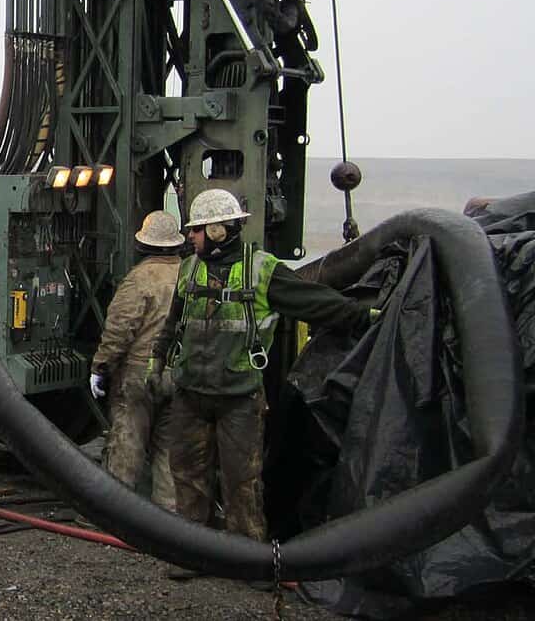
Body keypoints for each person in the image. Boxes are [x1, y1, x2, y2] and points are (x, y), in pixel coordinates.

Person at [151, 188, 374, 541]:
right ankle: (193, 547)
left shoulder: (261, 271)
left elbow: (315, 302)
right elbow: (173, 324)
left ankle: (247, 554)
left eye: (196, 230)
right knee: (188, 475)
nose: (190, 236)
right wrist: (156, 363)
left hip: (239, 398)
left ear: (218, 231)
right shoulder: (190, 269)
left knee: (242, 480)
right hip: (190, 394)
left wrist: (368, 317)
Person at [90, 210, 184, 511]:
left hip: (140, 374)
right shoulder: (190, 274)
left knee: (126, 443)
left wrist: (100, 367)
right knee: (168, 452)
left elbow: (120, 330)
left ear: (145, 243)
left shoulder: (140, 279)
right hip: (178, 374)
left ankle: (116, 514)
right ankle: (169, 522)